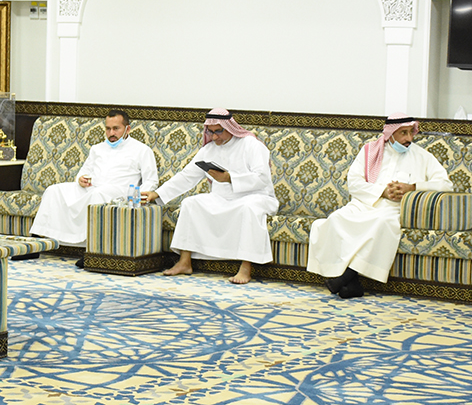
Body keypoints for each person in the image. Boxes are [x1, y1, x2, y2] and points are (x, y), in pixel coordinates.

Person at [307, 113, 453, 299]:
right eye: (403, 133)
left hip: (395, 209)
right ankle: (351, 283)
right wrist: (381, 192)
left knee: (383, 223)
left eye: (411, 132)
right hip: (366, 203)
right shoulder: (370, 152)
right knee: (337, 218)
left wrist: (413, 188)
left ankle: (345, 277)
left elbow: (445, 185)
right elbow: (354, 182)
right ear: (390, 133)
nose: (409, 138)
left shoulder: (422, 156)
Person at [141, 108, 278, 284]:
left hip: (255, 196)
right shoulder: (209, 149)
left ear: (230, 127)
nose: (214, 137)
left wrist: (229, 178)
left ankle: (246, 268)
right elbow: (187, 176)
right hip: (221, 198)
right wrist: (157, 193)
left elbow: (262, 178)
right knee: (191, 203)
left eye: (218, 131)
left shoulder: (251, 145)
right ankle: (184, 262)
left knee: (248, 208)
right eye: (210, 132)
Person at [28, 110, 159, 265]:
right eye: (108, 128)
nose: (111, 133)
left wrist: (137, 196)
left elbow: (151, 180)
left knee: (98, 194)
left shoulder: (142, 150)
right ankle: (34, 246)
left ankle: (92, 251)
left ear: (127, 129)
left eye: (116, 128)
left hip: (120, 192)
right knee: (54, 190)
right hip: (93, 187)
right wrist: (81, 179)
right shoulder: (97, 148)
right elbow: (84, 172)